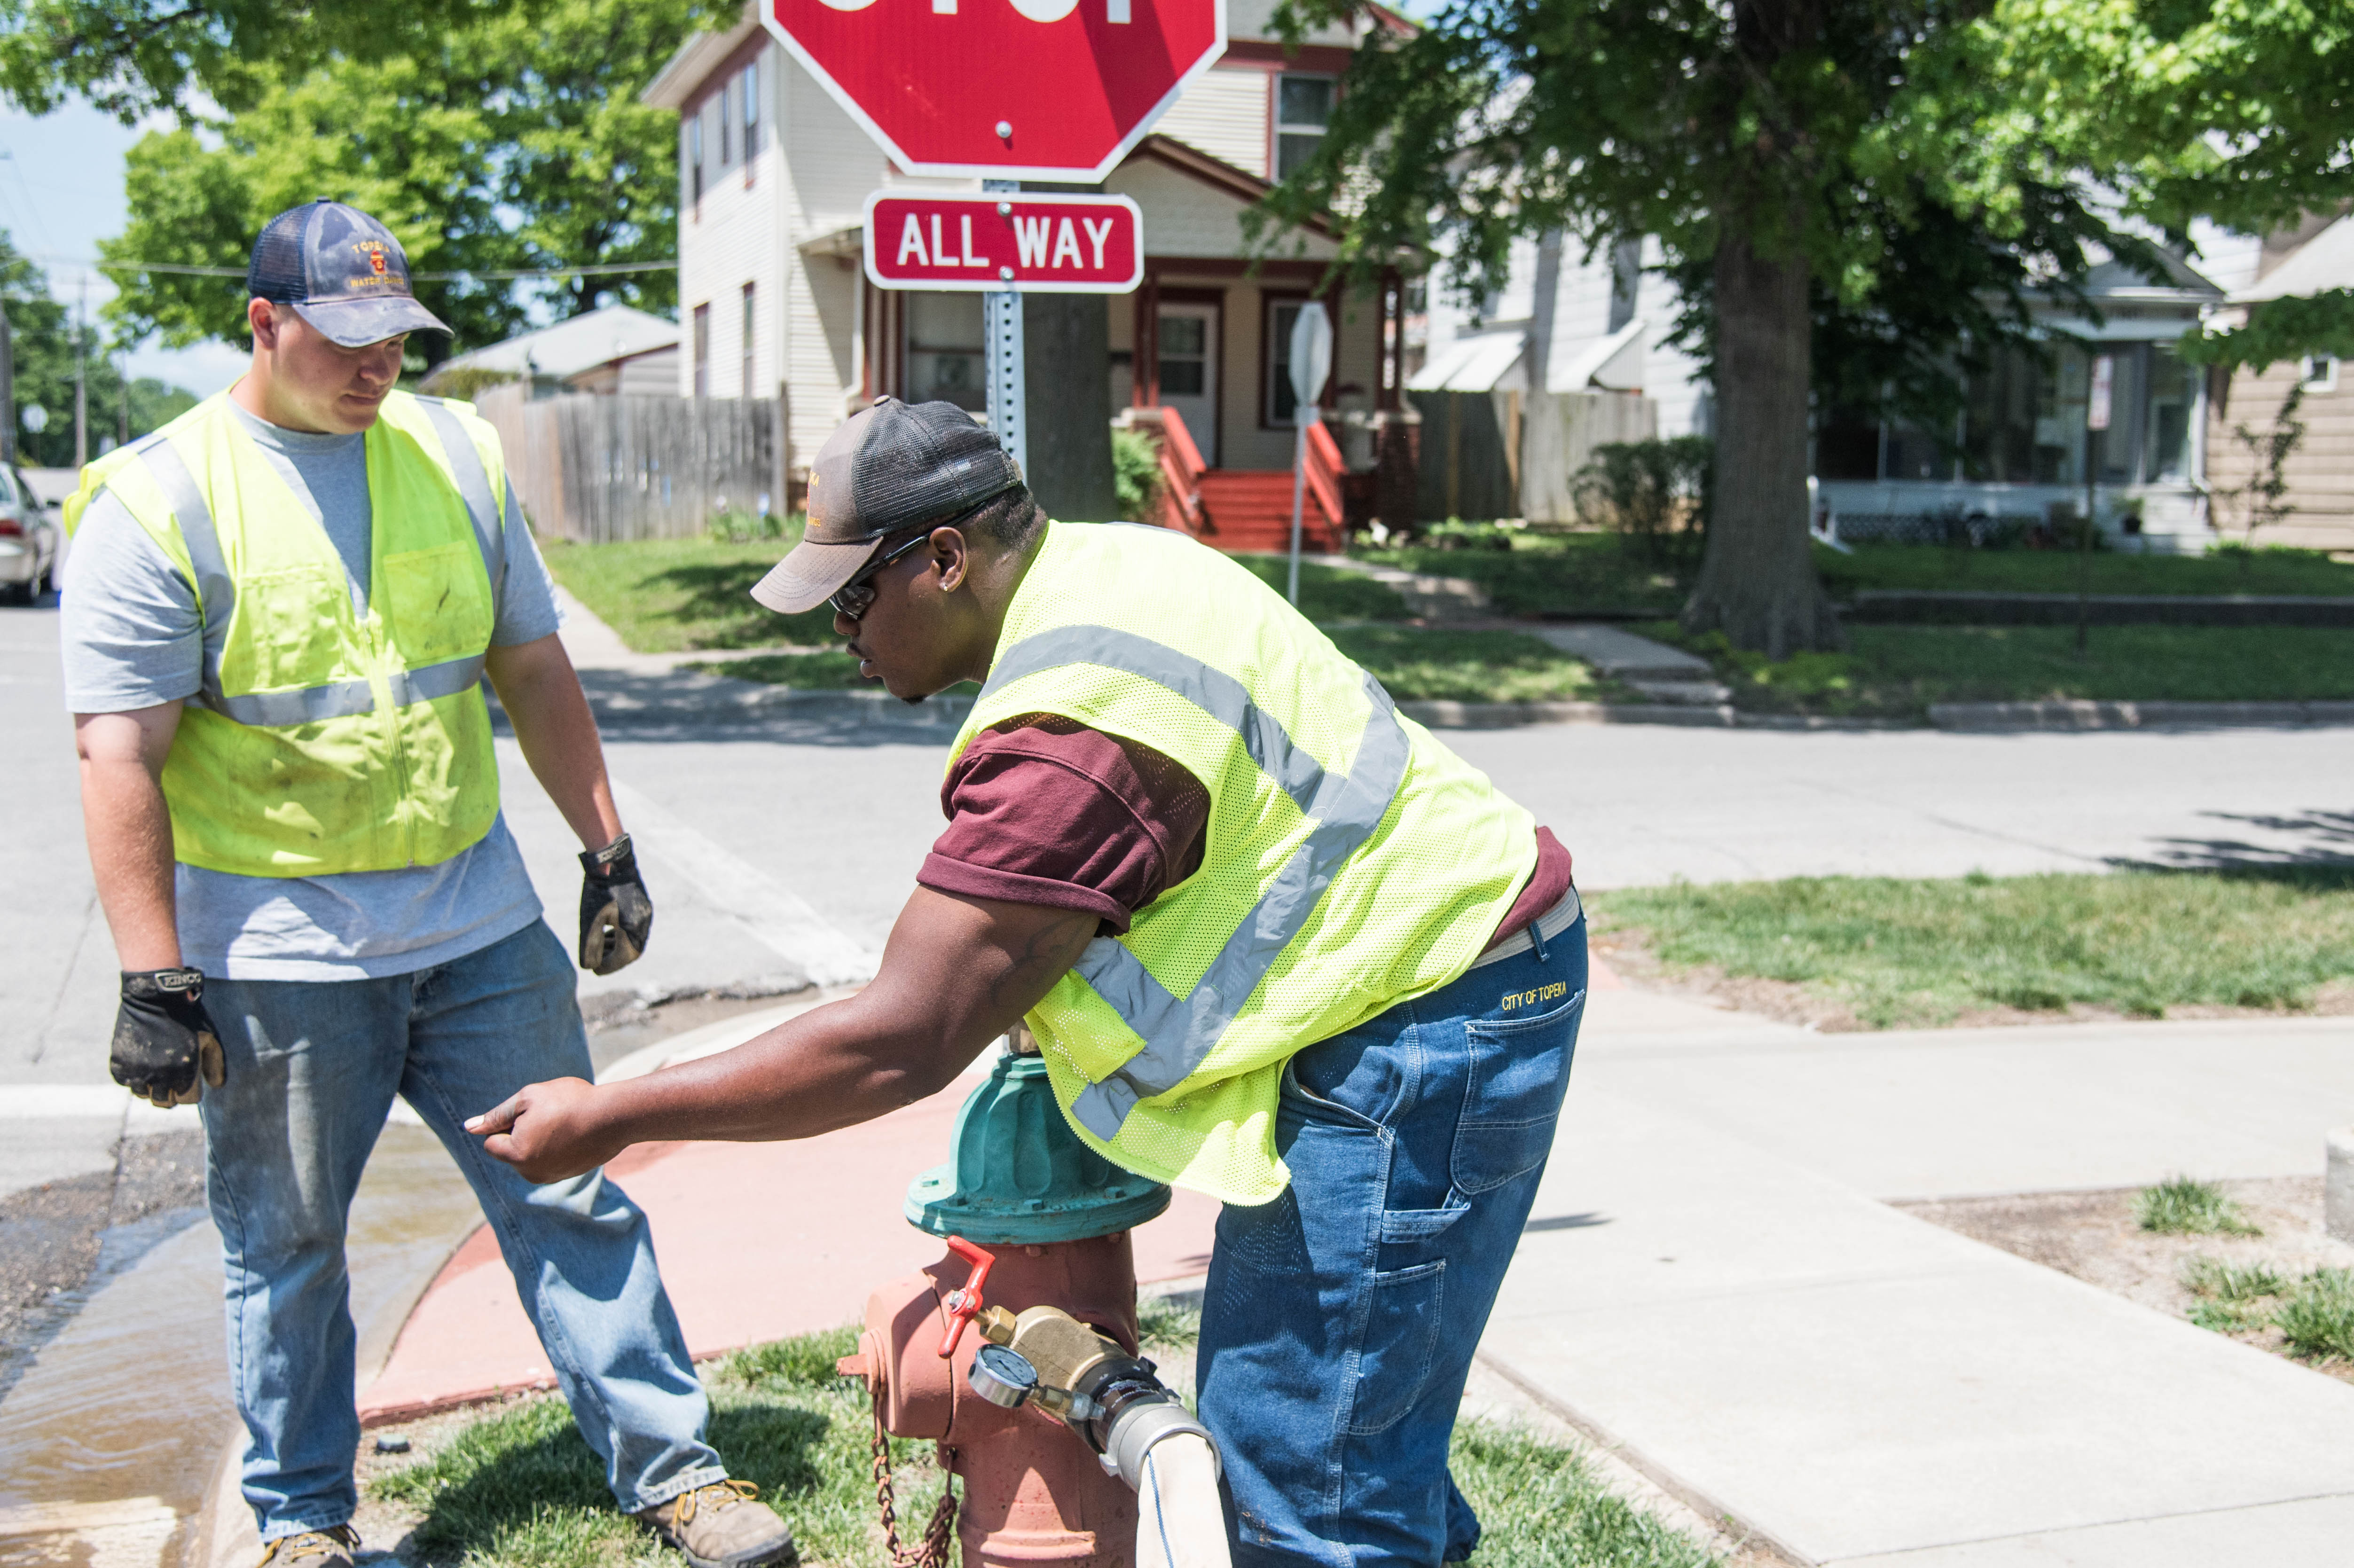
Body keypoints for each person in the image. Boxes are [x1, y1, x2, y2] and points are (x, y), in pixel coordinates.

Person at [468, 397, 1585, 1567]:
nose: (836, 631)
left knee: (1306, 1490)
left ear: (943, 559)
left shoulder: (1072, 731)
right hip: (1451, 972)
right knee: (1354, 1444)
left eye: (850, 596)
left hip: (1431, 1016)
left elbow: (898, 1038)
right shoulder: (1105, 567)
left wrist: (610, 1116)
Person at [60, 201, 795, 1568]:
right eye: (342, 340)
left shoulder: (456, 454)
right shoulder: (160, 497)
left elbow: (531, 665)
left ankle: (676, 1472)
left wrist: (606, 847)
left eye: (394, 337)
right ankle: (301, 1523)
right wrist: (157, 974)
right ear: (263, 324)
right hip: (276, 951)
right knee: (289, 1248)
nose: (374, 365)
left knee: (571, 1187)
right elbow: (120, 752)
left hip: (477, 929)